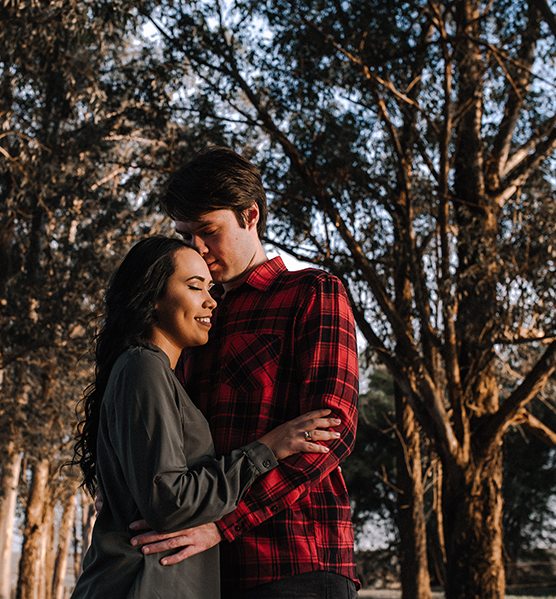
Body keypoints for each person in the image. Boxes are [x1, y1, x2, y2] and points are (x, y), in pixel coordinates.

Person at [130, 147, 360, 598]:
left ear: (250, 215)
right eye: (184, 235)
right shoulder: (188, 321)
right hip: (200, 568)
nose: (197, 248)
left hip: (295, 562)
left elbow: (333, 430)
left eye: (208, 231)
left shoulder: (311, 293)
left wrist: (227, 522)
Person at [69, 236, 342, 599]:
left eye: (210, 287)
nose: (211, 300)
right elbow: (169, 500)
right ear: (151, 297)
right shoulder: (143, 365)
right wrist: (267, 449)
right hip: (142, 581)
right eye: (195, 286)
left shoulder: (162, 374)